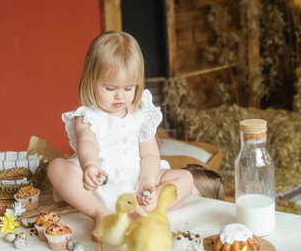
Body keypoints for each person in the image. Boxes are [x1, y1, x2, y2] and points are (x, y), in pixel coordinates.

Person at [47, 31, 223, 227]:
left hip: (136, 179)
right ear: (91, 81)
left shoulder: (140, 112)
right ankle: (99, 214)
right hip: (100, 184)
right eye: (110, 89)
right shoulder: (88, 116)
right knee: (56, 168)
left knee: (186, 178)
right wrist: (89, 166)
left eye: (128, 88)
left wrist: (147, 182)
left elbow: (149, 154)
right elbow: (86, 142)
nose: (120, 96)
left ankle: (147, 207)